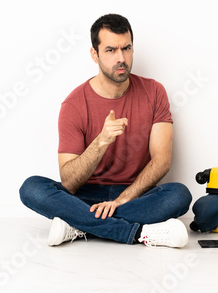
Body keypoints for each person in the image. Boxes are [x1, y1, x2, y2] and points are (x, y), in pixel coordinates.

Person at [19, 13, 192, 248]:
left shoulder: (154, 92)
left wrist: (122, 200)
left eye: (126, 48)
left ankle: (78, 225)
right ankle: (139, 233)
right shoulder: (74, 104)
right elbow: (69, 182)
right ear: (95, 54)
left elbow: (162, 161)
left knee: (179, 195)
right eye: (111, 50)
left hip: (134, 196)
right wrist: (101, 141)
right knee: (31, 188)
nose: (121, 58)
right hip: (84, 197)